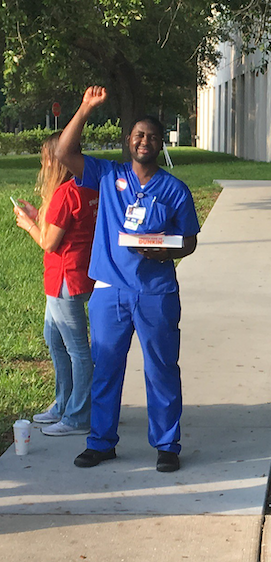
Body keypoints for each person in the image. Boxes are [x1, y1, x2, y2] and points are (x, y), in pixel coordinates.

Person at [54, 85, 200, 473]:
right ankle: (101, 442)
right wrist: (85, 107)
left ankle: (167, 445)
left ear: (159, 143)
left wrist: (165, 252)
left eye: (152, 136)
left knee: (162, 368)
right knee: (106, 368)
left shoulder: (174, 189)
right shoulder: (107, 175)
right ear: (128, 141)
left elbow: (189, 242)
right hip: (110, 291)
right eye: (138, 135)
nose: (144, 141)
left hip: (156, 292)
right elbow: (64, 153)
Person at [12, 132, 98, 437]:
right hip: (79, 273)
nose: (42, 164)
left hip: (64, 278)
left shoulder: (63, 193)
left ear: (56, 160)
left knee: (77, 349)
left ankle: (79, 416)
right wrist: (40, 215)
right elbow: (67, 227)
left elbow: (49, 242)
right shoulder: (85, 185)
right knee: (54, 339)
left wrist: (29, 223)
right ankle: (64, 403)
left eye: (45, 158)